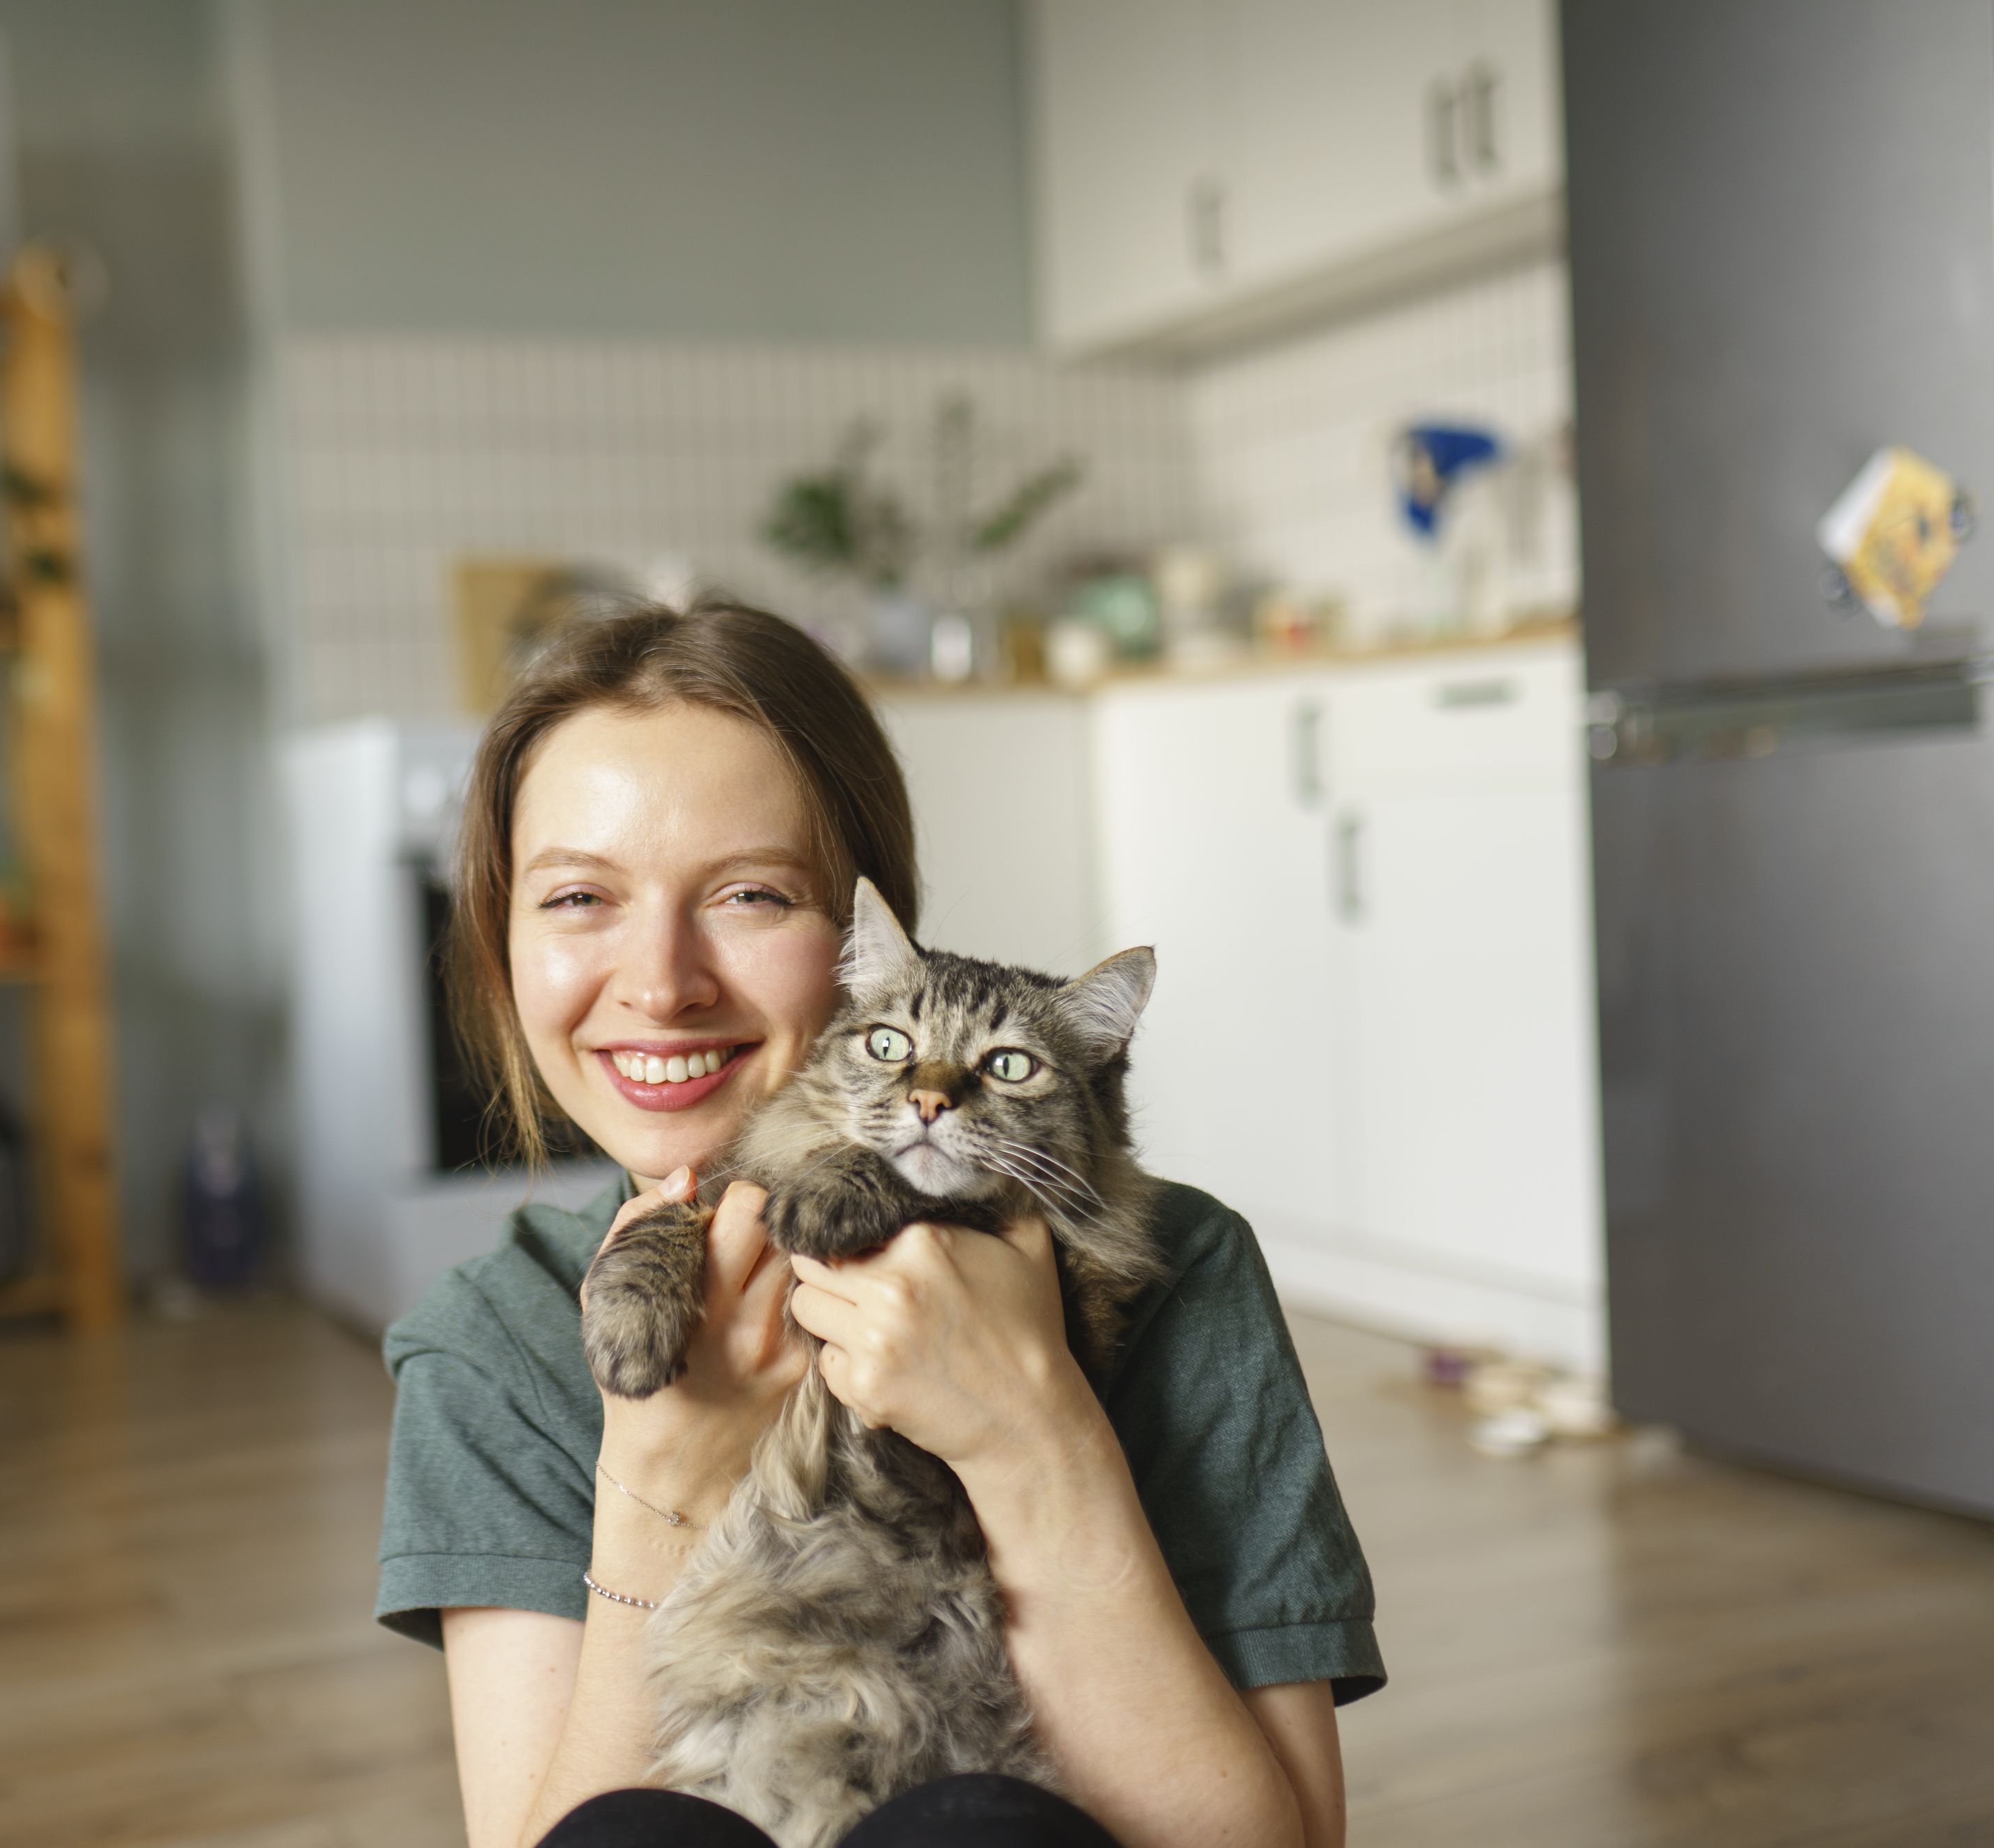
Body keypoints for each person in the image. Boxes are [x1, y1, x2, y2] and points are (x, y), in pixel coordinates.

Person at [376, 597, 1383, 1848]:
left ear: (865, 945)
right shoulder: (492, 1341)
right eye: (579, 899)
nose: (659, 984)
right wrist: (656, 1483)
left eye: (748, 895)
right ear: (499, 943)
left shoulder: (1186, 1268)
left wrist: (1035, 1439)